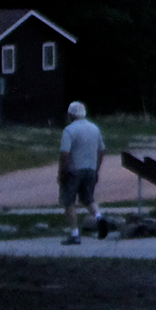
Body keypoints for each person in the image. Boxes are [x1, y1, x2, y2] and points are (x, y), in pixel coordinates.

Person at [59, 100, 105, 246]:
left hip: (74, 170)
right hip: (90, 169)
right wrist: (96, 168)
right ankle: (99, 217)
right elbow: (102, 150)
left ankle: (74, 234)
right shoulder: (94, 128)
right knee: (88, 198)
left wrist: (61, 172)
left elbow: (65, 154)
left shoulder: (69, 130)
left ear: (71, 115)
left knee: (69, 202)